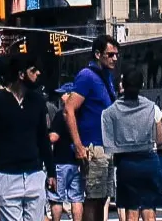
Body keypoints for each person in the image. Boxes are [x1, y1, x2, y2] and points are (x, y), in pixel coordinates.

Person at [0, 56, 54, 221]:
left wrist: (51, 172)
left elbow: (43, 139)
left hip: (34, 174)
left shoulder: (37, 101)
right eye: (33, 70)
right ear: (21, 74)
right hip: (7, 175)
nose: (38, 73)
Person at [62, 38, 118, 221]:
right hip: (93, 147)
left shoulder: (106, 76)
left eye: (116, 54)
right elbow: (69, 109)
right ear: (97, 54)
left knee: (102, 198)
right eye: (110, 55)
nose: (115, 58)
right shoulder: (87, 76)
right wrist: (78, 145)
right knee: (93, 199)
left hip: (106, 146)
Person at [97, 71, 162, 221]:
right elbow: (159, 139)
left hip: (126, 164)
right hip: (149, 161)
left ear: (123, 86)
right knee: (149, 205)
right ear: (142, 85)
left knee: (131, 208)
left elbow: (108, 139)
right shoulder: (152, 107)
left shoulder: (113, 110)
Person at [48, 84, 79, 221]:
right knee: (77, 198)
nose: (61, 98)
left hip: (61, 161)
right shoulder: (81, 114)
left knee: (56, 198)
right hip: (77, 161)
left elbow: (54, 137)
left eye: (63, 94)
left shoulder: (62, 114)